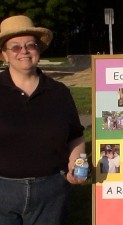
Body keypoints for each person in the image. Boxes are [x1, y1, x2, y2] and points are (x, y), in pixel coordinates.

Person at [0, 15, 86, 225]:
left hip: (51, 193)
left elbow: (76, 135)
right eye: (16, 47)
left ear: (38, 49)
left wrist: (76, 162)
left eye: (31, 45)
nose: (24, 51)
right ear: (4, 55)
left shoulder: (59, 92)